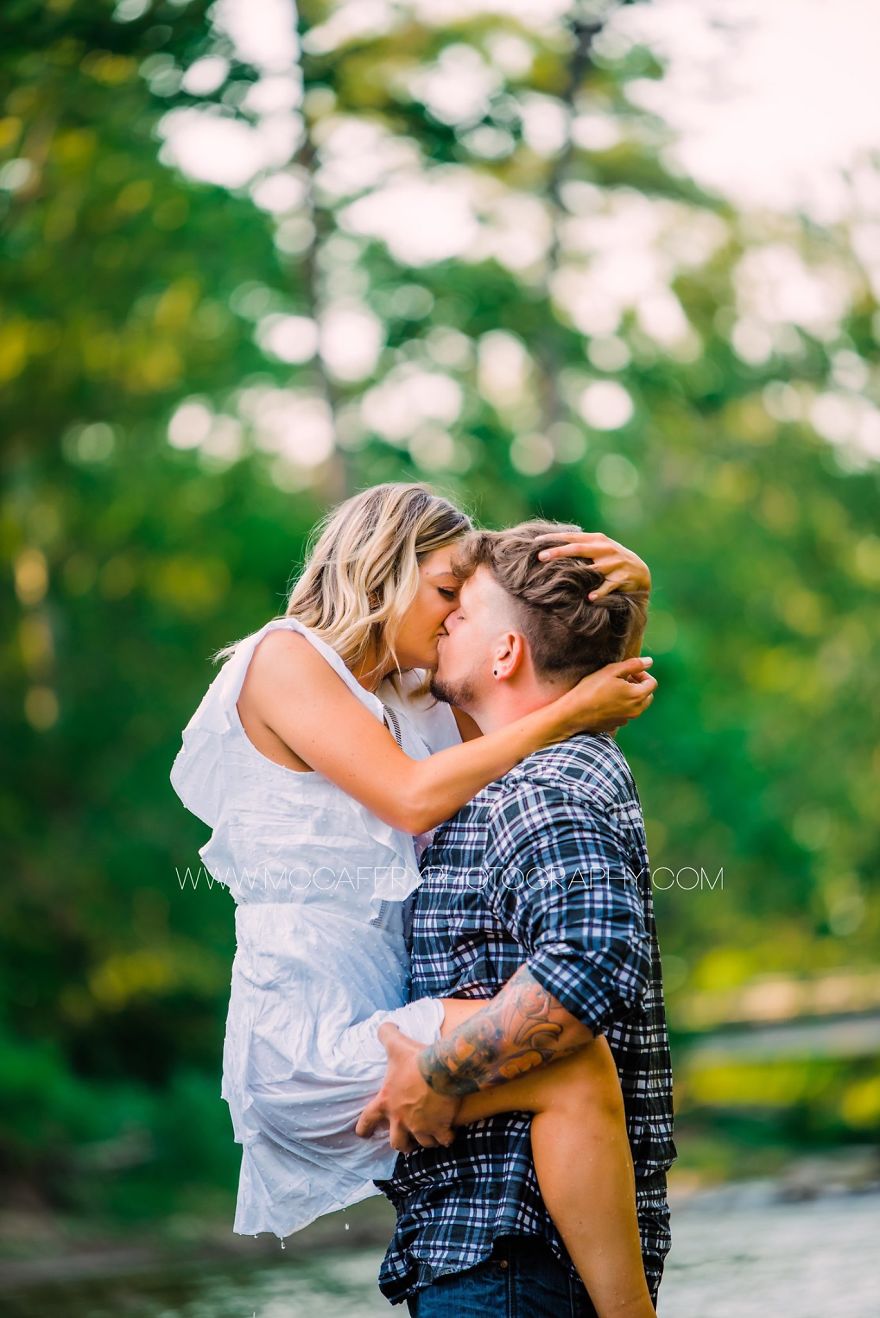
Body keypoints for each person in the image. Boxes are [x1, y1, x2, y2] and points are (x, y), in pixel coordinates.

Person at [169, 484, 657, 1316]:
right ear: (384, 568)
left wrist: (628, 602)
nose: (452, 616)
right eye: (444, 591)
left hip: (382, 1016)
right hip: (308, 1034)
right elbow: (411, 797)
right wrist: (570, 709)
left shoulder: (413, 699)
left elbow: (538, 701)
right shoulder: (286, 658)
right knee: (573, 1068)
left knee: (570, 1063)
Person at [356, 522, 676, 1316]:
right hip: (514, 1259)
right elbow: (564, 665)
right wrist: (627, 610)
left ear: (504, 654)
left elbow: (591, 958)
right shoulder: (544, 764)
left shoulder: (539, 790)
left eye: (460, 612)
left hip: (511, 1259)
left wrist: (439, 1071)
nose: (441, 624)